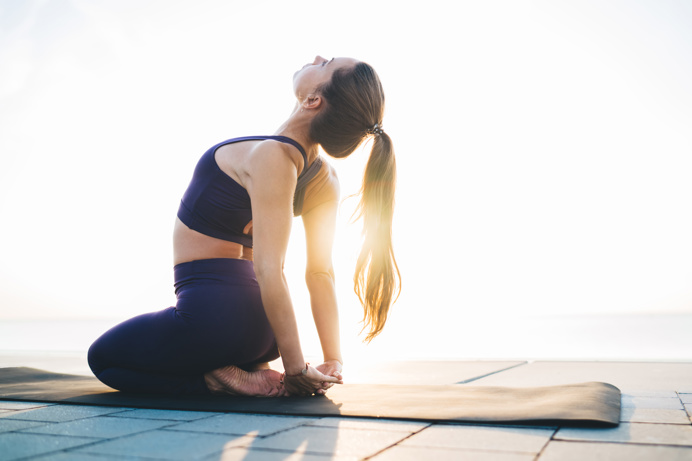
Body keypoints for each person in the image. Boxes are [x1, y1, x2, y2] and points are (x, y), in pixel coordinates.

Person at [88, 56, 400, 397]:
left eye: (325, 65)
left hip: (211, 316)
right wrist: (332, 358)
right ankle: (243, 368)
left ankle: (214, 380)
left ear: (313, 100)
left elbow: (270, 268)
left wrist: (295, 369)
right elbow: (320, 273)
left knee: (103, 359)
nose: (317, 58)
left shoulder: (272, 156)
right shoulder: (326, 178)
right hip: (264, 336)